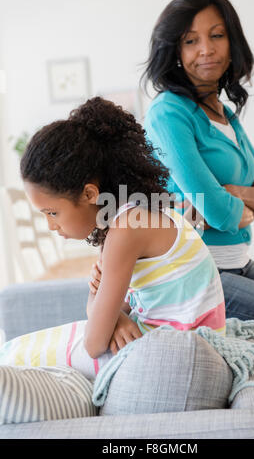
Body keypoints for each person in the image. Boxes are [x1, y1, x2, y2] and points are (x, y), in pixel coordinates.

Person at [142, 0, 254, 438]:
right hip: (205, 271)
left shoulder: (225, 112)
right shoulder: (169, 112)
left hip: (239, 263)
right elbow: (217, 207)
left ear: (233, 43)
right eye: (190, 40)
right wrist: (243, 202)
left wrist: (238, 198)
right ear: (173, 49)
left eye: (216, 36)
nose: (206, 49)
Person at [11, 95, 226, 378]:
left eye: (52, 213)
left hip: (177, 356)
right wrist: (115, 316)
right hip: (172, 340)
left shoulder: (126, 230)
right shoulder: (133, 215)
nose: (51, 225)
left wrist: (109, 314)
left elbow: (94, 342)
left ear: (89, 194)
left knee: (19, 356)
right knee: (22, 350)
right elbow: (106, 309)